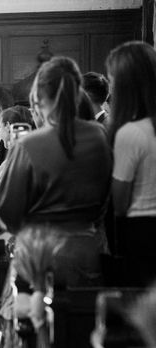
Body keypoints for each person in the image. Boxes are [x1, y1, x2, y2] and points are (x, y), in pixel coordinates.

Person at [0, 56, 112, 288]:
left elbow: (5, 206)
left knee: (39, 322)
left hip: (41, 255)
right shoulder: (100, 136)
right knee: (82, 319)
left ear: (37, 102)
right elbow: (107, 194)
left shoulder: (30, 144)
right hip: (89, 250)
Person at [106, 40, 156, 286]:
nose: (110, 89)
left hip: (142, 229)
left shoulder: (131, 133)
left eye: (113, 80)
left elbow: (120, 201)